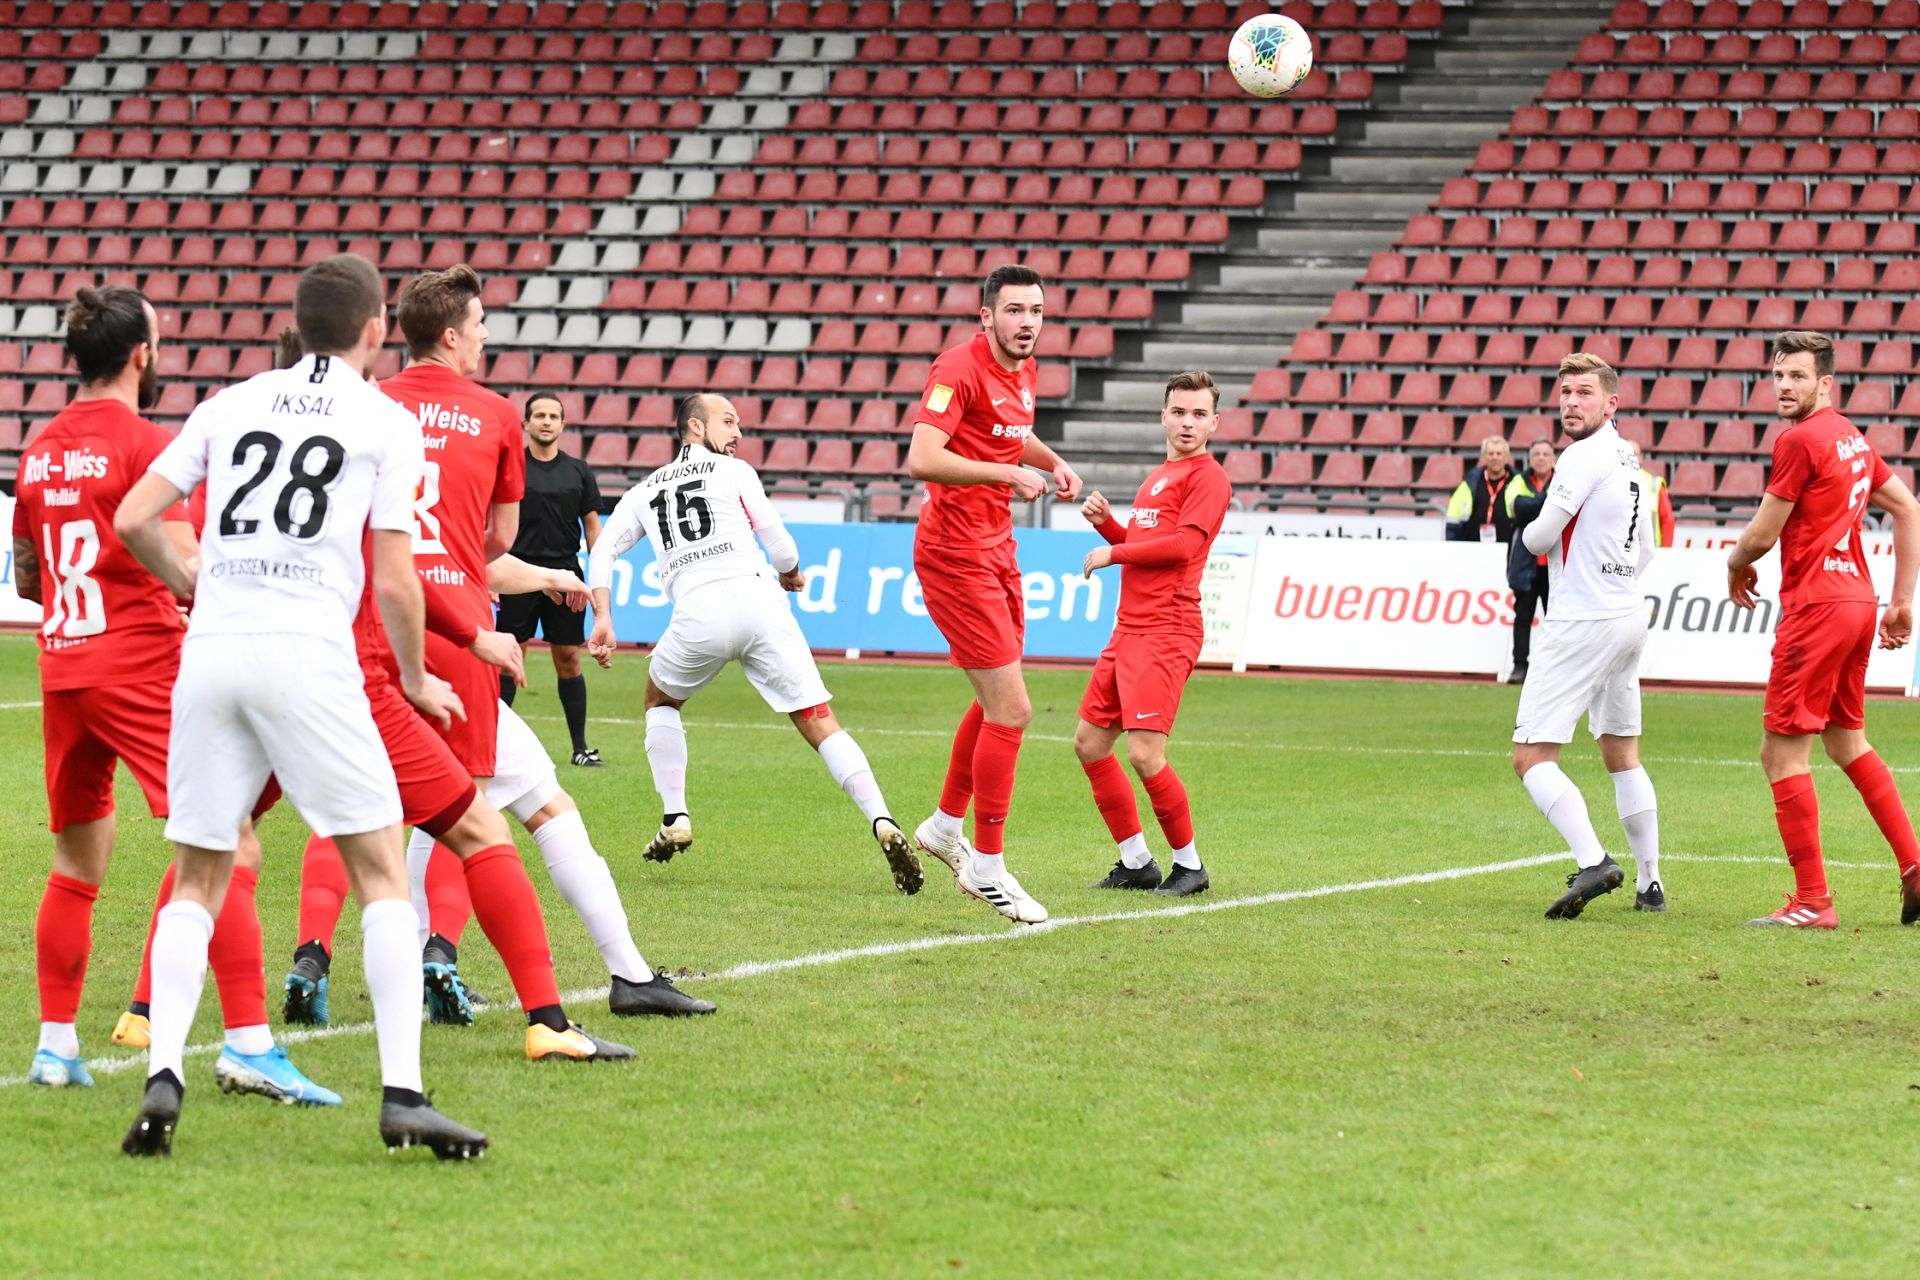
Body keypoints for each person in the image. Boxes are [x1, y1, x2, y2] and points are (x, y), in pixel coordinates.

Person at [111, 254, 485, 1157]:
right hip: (307, 654)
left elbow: (133, 517)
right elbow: (395, 581)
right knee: (382, 871)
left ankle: (165, 1076)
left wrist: (187, 580)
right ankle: (403, 1097)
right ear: (372, 333)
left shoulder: (227, 403)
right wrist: (415, 678)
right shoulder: (383, 419)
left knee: (200, 873)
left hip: (212, 654)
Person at [10, 285, 332, 1103]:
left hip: (63, 664)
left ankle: (55, 1047)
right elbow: (187, 563)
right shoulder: (147, 443)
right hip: (142, 665)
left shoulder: (41, 448)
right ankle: (252, 1044)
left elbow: (25, 573)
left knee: (76, 865)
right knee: (234, 844)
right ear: (141, 355)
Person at [584, 393, 922, 895]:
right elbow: (781, 543)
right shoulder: (734, 472)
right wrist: (791, 574)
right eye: (728, 421)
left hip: (697, 611)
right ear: (694, 428)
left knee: (660, 700)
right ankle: (881, 820)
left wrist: (604, 614)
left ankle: (675, 814)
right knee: (818, 719)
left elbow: (604, 547)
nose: (738, 432)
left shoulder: (643, 490)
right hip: (759, 602)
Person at [905, 264, 1082, 925]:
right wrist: (1006, 471)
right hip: (954, 555)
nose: (1027, 321)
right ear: (987, 317)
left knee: (994, 703)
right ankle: (986, 865)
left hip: (997, 549)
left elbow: (1009, 430)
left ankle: (946, 828)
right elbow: (923, 455)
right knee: (1012, 711)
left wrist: (1045, 460)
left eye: (1036, 310)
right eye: (1013, 310)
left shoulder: (1024, 370)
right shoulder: (959, 368)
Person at [1727, 330, 1920, 929]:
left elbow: (1761, 534)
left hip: (1816, 610)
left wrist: (1735, 564)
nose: (1784, 386)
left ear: (1825, 383)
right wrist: (1900, 601)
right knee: (1845, 741)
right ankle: (1916, 869)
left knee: (1780, 753)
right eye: (1779, 375)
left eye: (1798, 377)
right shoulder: (1854, 440)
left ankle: (1813, 900)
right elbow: (1908, 506)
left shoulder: (1799, 440)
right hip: (1859, 603)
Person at [1510, 353, 1665, 919]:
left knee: (1531, 756)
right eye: (1565, 393)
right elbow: (1646, 546)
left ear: (1610, 402)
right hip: (1627, 616)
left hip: (1582, 620)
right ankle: (1651, 882)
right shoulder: (1628, 458)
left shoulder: (1579, 457)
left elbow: (1540, 537)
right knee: (1621, 751)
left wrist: (1526, 527)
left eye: (1584, 393)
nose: (1571, 403)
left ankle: (1594, 859)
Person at [1072, 371, 1233, 897]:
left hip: (1167, 629)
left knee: (1145, 754)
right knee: (1091, 744)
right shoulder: (1158, 477)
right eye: (1179, 412)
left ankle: (1190, 867)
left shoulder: (1208, 478)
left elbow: (1183, 548)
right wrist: (1109, 528)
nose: (1188, 423)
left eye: (1198, 414)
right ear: (1163, 417)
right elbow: (1149, 551)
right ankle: (1137, 861)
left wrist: (1113, 551)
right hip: (1130, 630)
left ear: (1214, 421)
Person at [497, 391, 605, 767]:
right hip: (517, 573)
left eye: (553, 416)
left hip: (564, 576)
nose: (546, 421)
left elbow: (593, 527)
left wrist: (600, 570)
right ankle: (492, 743)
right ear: (525, 423)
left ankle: (580, 748)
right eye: (539, 415)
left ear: (563, 424)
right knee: (510, 659)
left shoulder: (578, 470)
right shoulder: (511, 466)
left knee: (569, 660)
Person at [1504, 438, 1556, 684]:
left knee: (1556, 620)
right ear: (1530, 459)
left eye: (1546, 454)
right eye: (1537, 454)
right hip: (1526, 563)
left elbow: (1528, 507)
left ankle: (1553, 669)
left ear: (1553, 458)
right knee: (1522, 617)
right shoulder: (1517, 481)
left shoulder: (1564, 478)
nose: (1541, 458)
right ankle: (1519, 666)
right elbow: (1515, 507)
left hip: (1555, 564)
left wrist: (1533, 504)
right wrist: (1546, 502)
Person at [1444, 435, 1514, 543]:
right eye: (1490, 453)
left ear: (1506, 457)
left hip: (1508, 549)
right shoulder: (1469, 483)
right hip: (1473, 549)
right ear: (1484, 457)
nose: (1494, 457)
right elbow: (1453, 519)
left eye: (1499, 454)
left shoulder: (1517, 482)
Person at [1625, 441, 1675, 548]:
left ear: (1641, 457)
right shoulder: (1610, 482)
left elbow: (1667, 520)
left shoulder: (1655, 484)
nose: (1632, 458)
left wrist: (1666, 553)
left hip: (1652, 555)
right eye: (1628, 454)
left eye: (1634, 454)